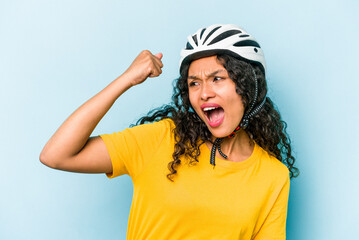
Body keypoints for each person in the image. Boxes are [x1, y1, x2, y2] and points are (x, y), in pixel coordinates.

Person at [40, 24, 299, 239]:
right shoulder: (162, 139)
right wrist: (126, 79)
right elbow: (56, 154)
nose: (204, 92)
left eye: (217, 79)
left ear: (249, 86)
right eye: (194, 83)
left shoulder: (273, 176)